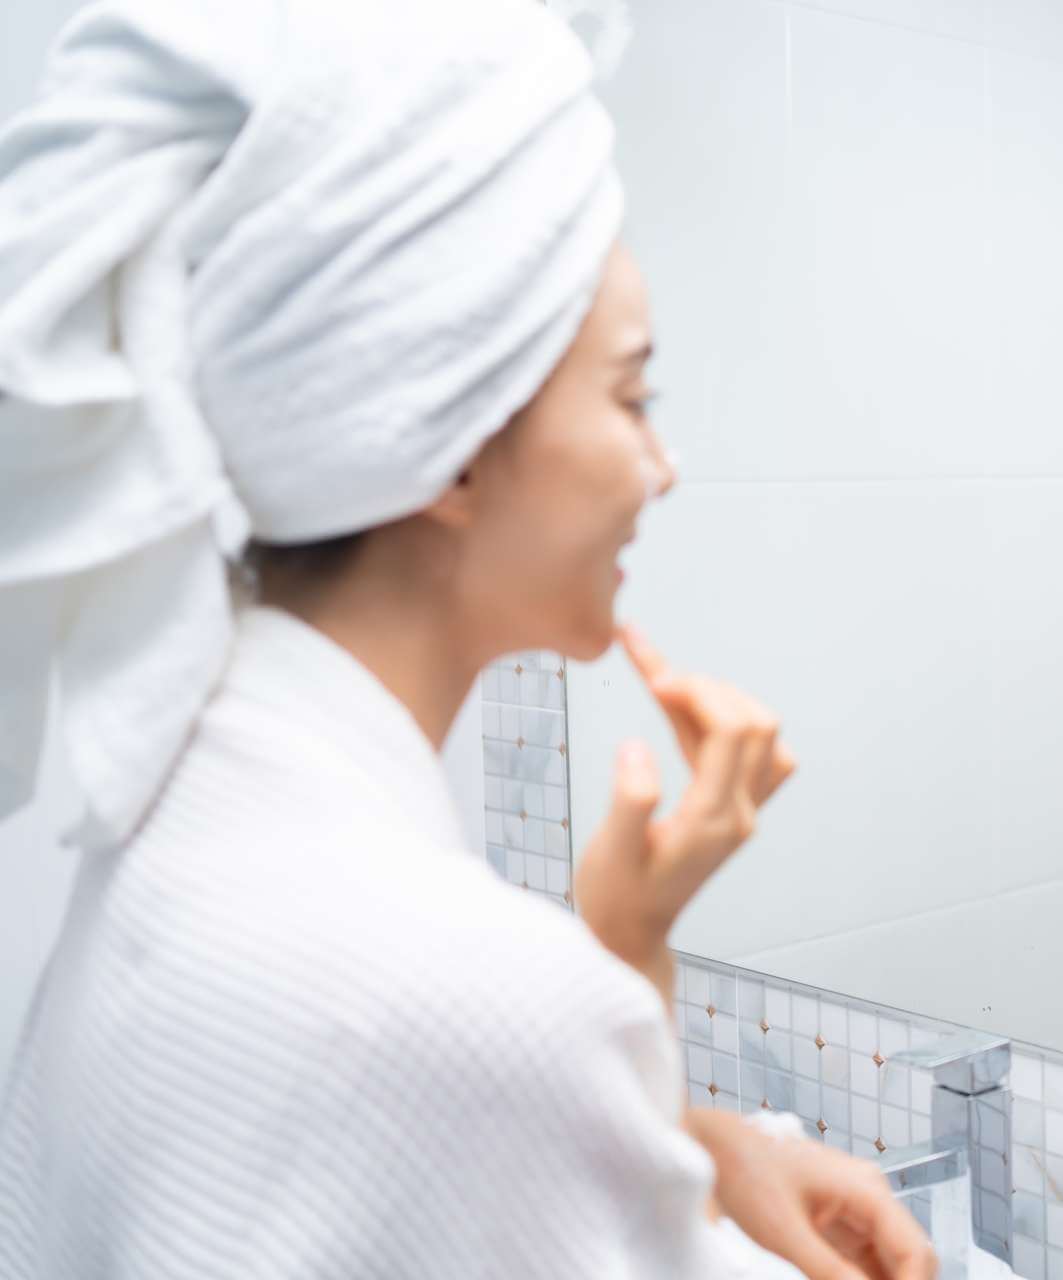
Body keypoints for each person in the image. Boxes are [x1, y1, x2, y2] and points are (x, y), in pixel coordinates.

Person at [0, 1, 934, 1275]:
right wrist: (617, 976)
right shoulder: (470, 998)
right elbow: (474, 1067)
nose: (662, 464)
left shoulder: (177, 809)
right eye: (631, 395)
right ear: (444, 441)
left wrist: (693, 1141)